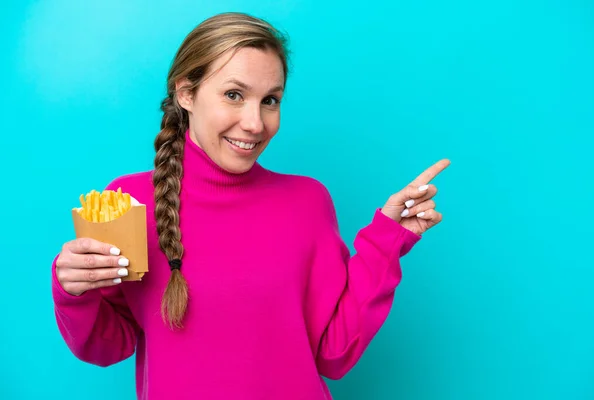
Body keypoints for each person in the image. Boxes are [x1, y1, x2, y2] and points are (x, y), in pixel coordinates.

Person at [51, 12, 449, 400]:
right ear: (186, 92)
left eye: (270, 100)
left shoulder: (307, 202)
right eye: (234, 95)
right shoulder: (127, 203)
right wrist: (73, 290)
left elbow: (334, 353)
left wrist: (387, 240)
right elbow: (107, 347)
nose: (255, 124)